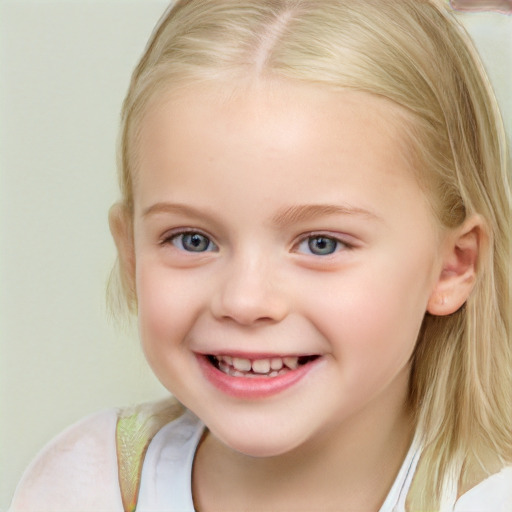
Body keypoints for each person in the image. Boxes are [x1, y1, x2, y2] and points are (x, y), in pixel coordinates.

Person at [9, 0, 512, 510]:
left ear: (453, 265)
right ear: (132, 254)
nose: (245, 301)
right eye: (193, 240)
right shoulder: (81, 487)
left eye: (323, 244)